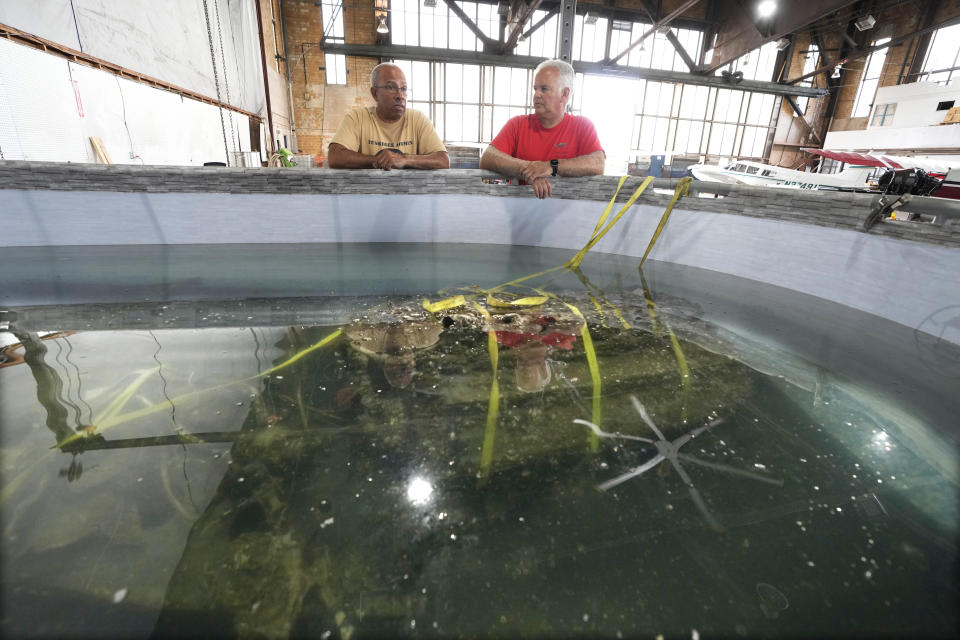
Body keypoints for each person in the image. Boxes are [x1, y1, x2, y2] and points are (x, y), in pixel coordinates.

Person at [479, 59, 605, 198]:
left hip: (566, 215)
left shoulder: (582, 126)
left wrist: (551, 166)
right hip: (521, 212)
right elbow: (488, 157)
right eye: (535, 89)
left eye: (544, 89)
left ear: (564, 94)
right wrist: (530, 170)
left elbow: (598, 163)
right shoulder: (517, 124)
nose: (536, 95)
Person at [328, 63, 450, 170]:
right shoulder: (357, 118)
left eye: (404, 88)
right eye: (391, 87)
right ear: (375, 93)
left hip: (408, 193)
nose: (400, 95)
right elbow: (335, 156)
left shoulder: (417, 119)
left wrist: (404, 159)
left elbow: (443, 160)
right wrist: (380, 160)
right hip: (369, 193)